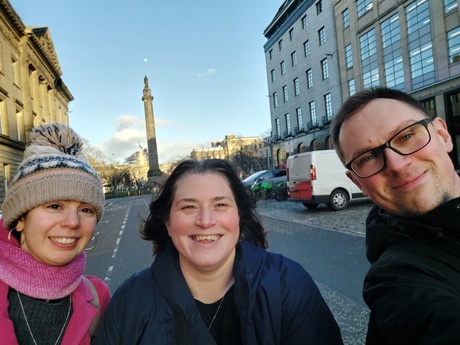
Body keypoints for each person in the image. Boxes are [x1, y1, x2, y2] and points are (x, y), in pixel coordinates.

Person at [94, 158, 343, 344]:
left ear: (239, 216)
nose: (205, 220)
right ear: (168, 223)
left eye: (221, 204)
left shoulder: (289, 285)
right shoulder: (130, 302)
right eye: (189, 207)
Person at [330, 87, 460, 344]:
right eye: (368, 157)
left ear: (443, 135)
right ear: (358, 183)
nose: (397, 165)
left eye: (407, 135)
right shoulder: (398, 281)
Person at [0, 122, 111, 344]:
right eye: (54, 206)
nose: (72, 222)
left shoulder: (99, 297)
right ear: (20, 219)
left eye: (86, 210)